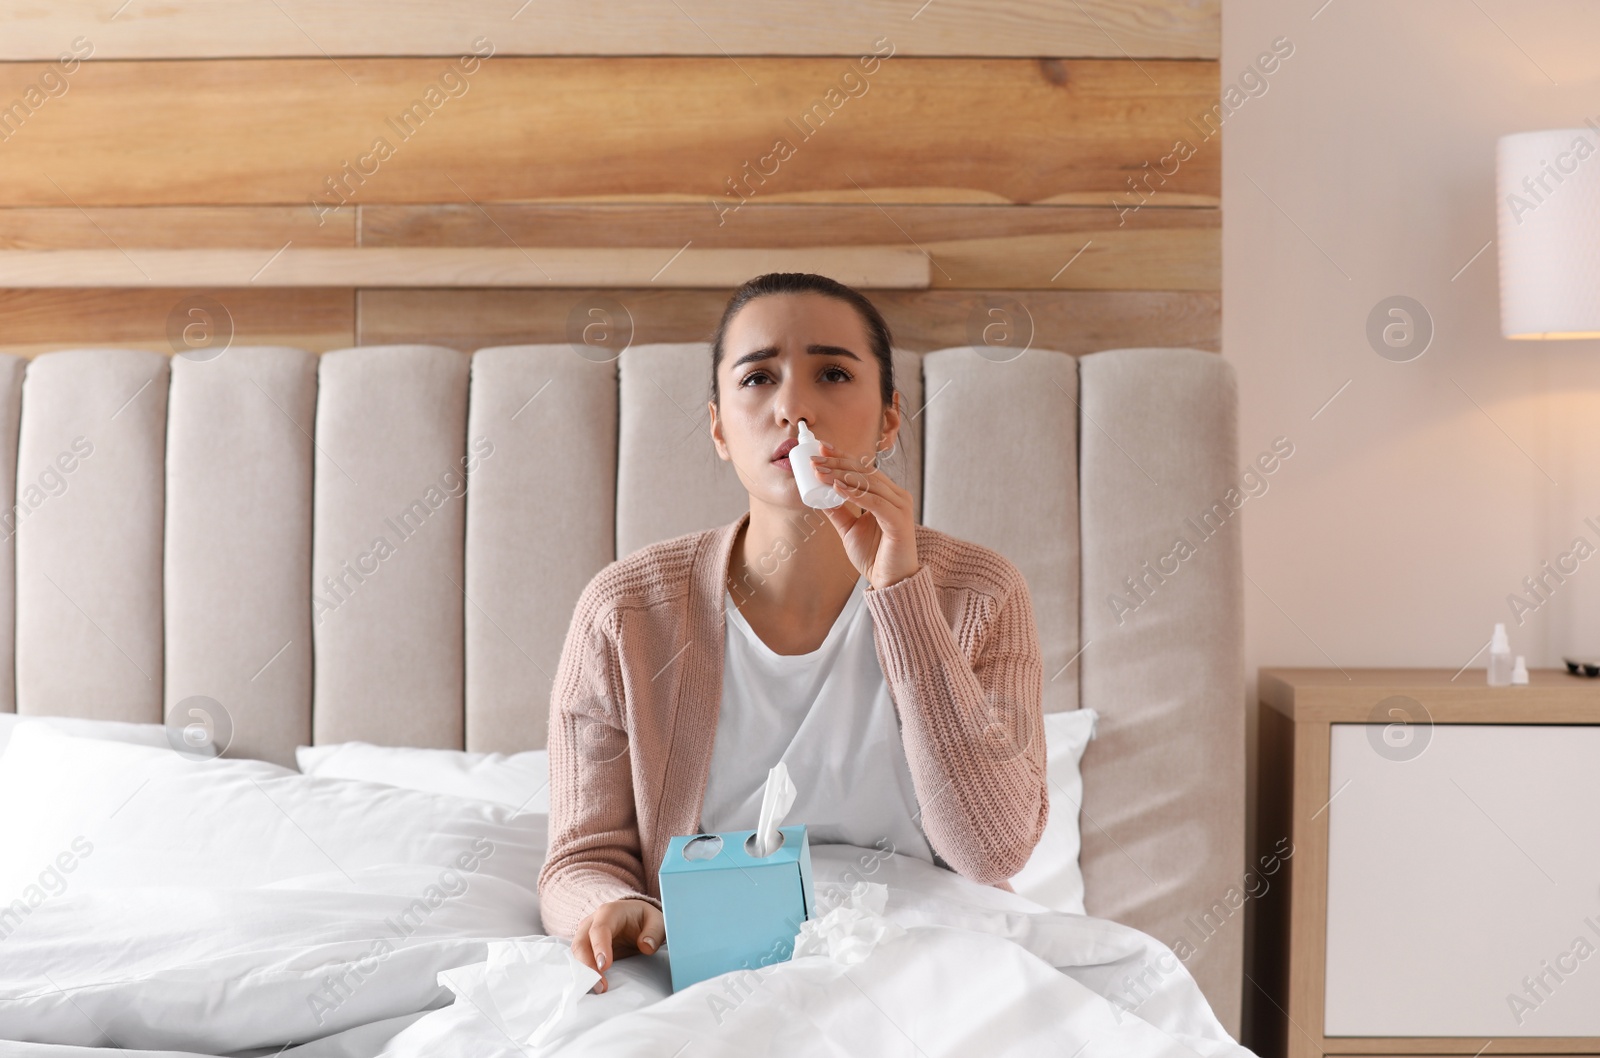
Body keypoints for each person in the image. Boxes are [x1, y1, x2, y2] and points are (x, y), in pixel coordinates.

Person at [538, 272, 1047, 994]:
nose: (794, 407)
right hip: (716, 970)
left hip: (935, 965)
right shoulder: (625, 612)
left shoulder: (981, 592)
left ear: (889, 420)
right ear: (718, 427)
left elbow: (993, 848)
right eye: (758, 378)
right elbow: (582, 855)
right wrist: (612, 906)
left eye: (833, 373)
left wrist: (901, 594)